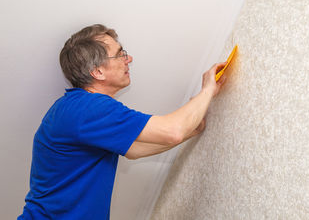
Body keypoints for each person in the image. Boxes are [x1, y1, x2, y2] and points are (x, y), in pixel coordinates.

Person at [18, 24, 227, 219]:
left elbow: (134, 149)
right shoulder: (87, 108)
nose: (129, 59)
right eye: (120, 54)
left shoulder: (77, 110)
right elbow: (173, 130)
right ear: (97, 72)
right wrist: (208, 88)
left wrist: (192, 129)